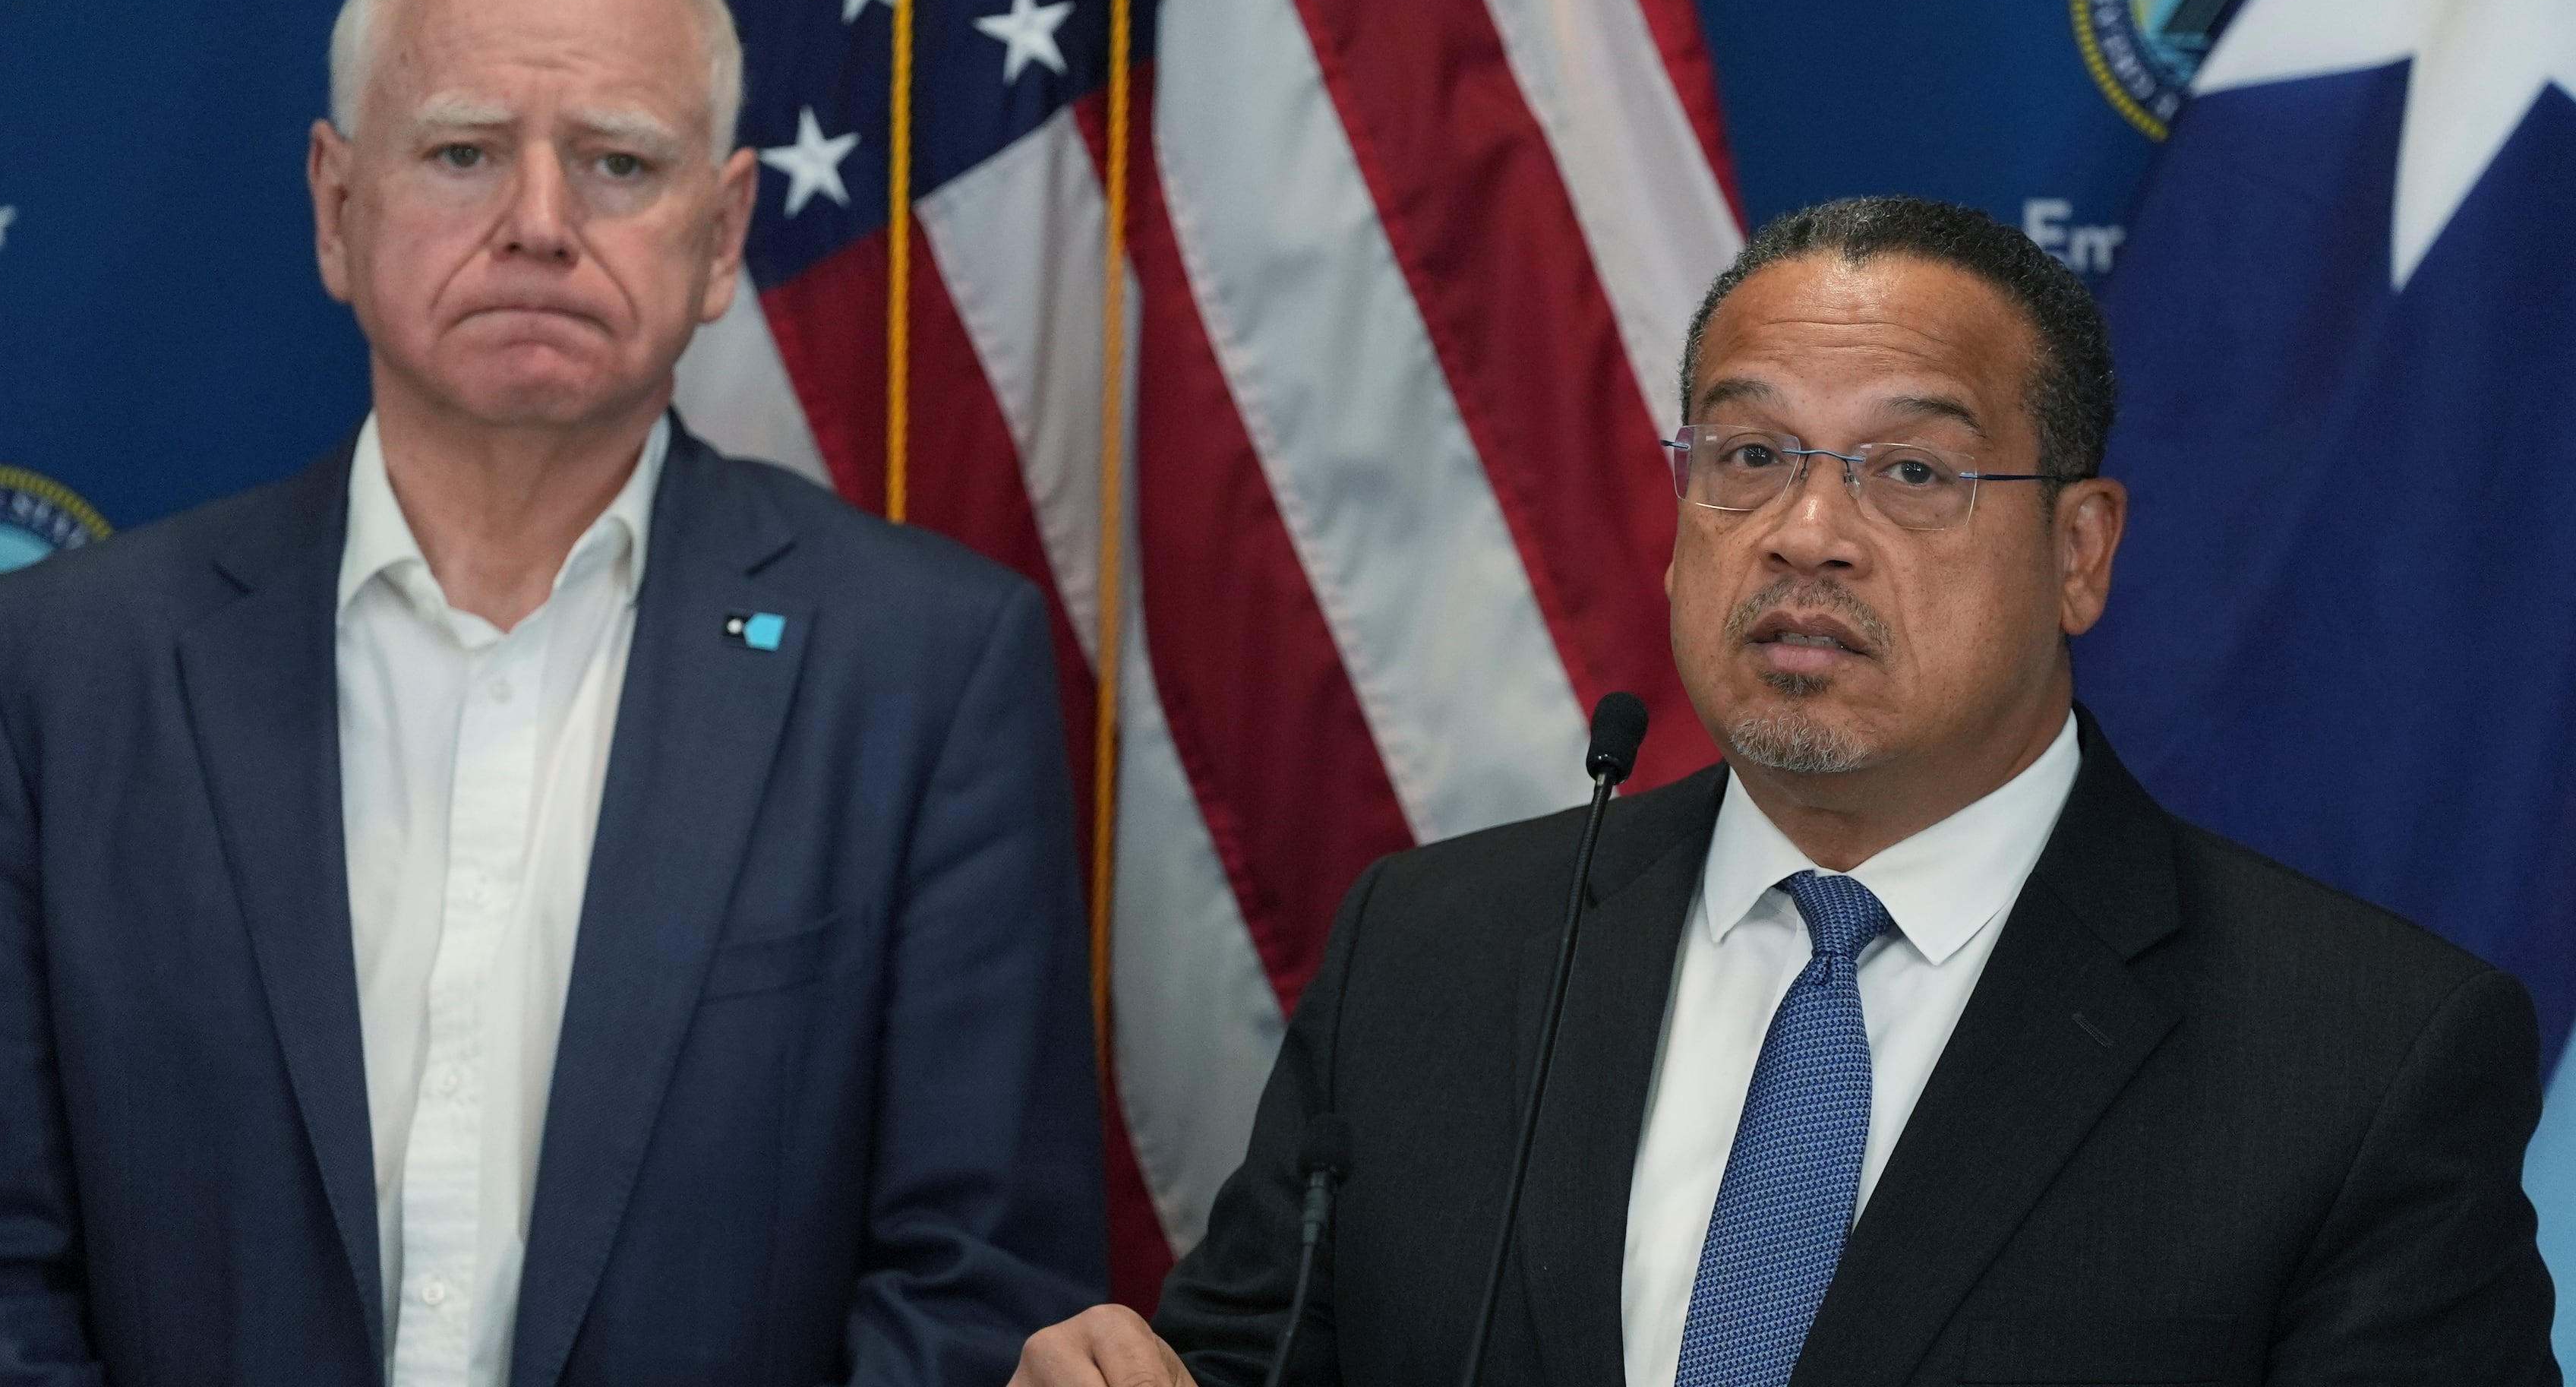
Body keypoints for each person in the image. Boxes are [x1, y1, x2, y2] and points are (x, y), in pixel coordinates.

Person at [0, 0, 1105, 1387]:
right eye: (462, 153)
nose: (541, 223)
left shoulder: (925, 672)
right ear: (336, 205)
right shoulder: (62, 672)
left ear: (721, 236)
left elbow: (974, 1291)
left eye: (620, 162)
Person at [1015, 196, 2556, 1387]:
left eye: (1911, 473)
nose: (1806, 532)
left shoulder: (2363, 1058)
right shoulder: (1434, 952)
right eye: (1748, 455)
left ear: (2080, 551)